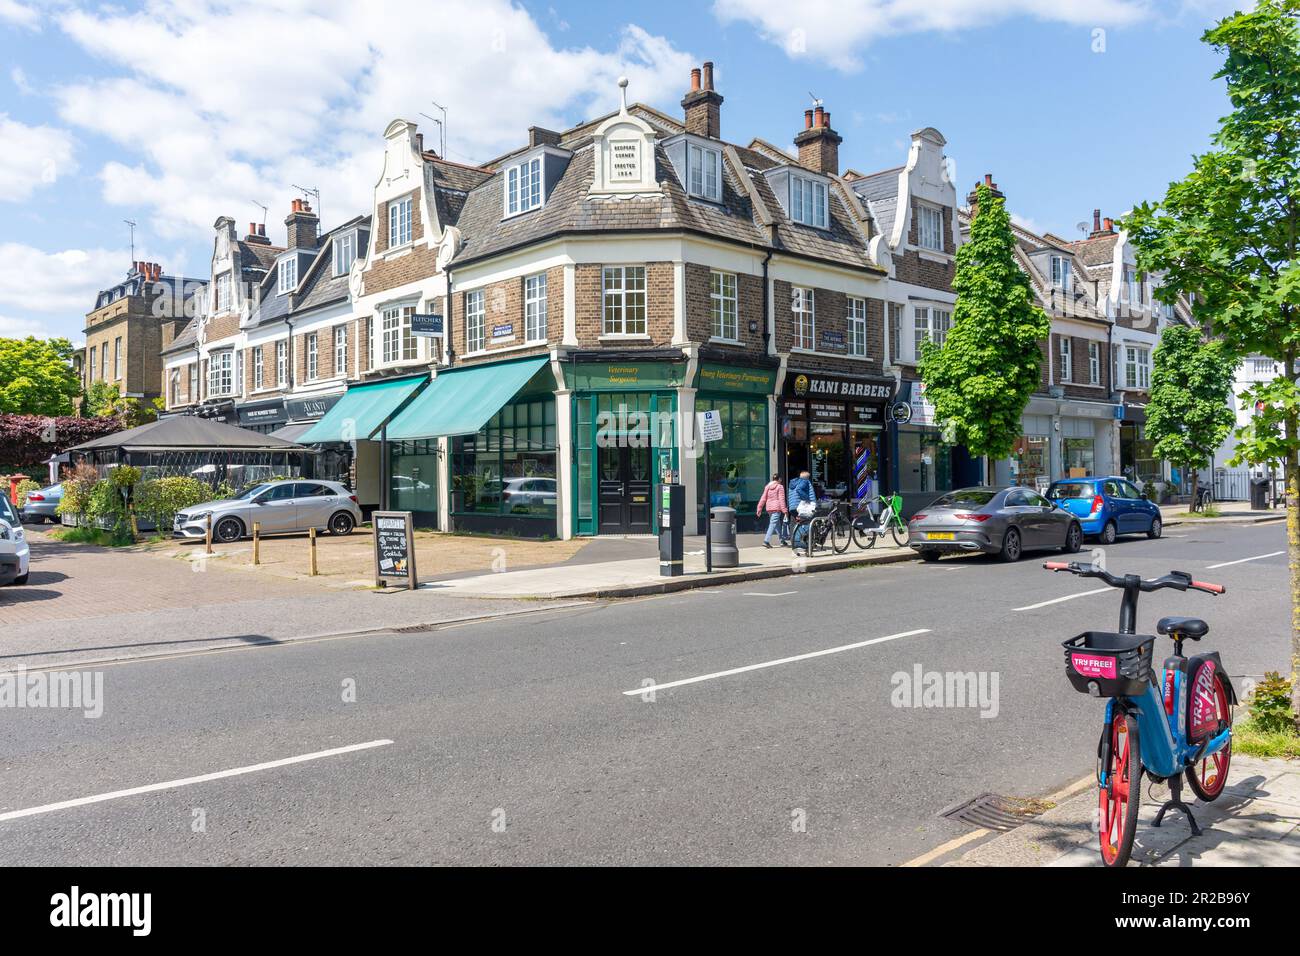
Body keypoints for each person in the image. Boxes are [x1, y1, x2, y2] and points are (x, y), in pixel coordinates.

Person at [787, 470, 817, 550]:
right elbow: (799, 490)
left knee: (794, 525)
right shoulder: (805, 482)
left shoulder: (792, 484)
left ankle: (794, 543)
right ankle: (807, 543)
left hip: (792, 507)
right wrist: (807, 499)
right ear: (807, 477)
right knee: (807, 523)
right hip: (800, 506)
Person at [756, 474, 788, 548]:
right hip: (776, 508)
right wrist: (784, 510)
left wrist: (759, 508)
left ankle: (782, 540)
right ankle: (766, 541)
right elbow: (781, 499)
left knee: (777, 525)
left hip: (769, 508)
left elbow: (763, 498)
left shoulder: (768, 487)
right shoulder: (780, 487)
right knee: (773, 524)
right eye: (781, 479)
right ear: (779, 479)